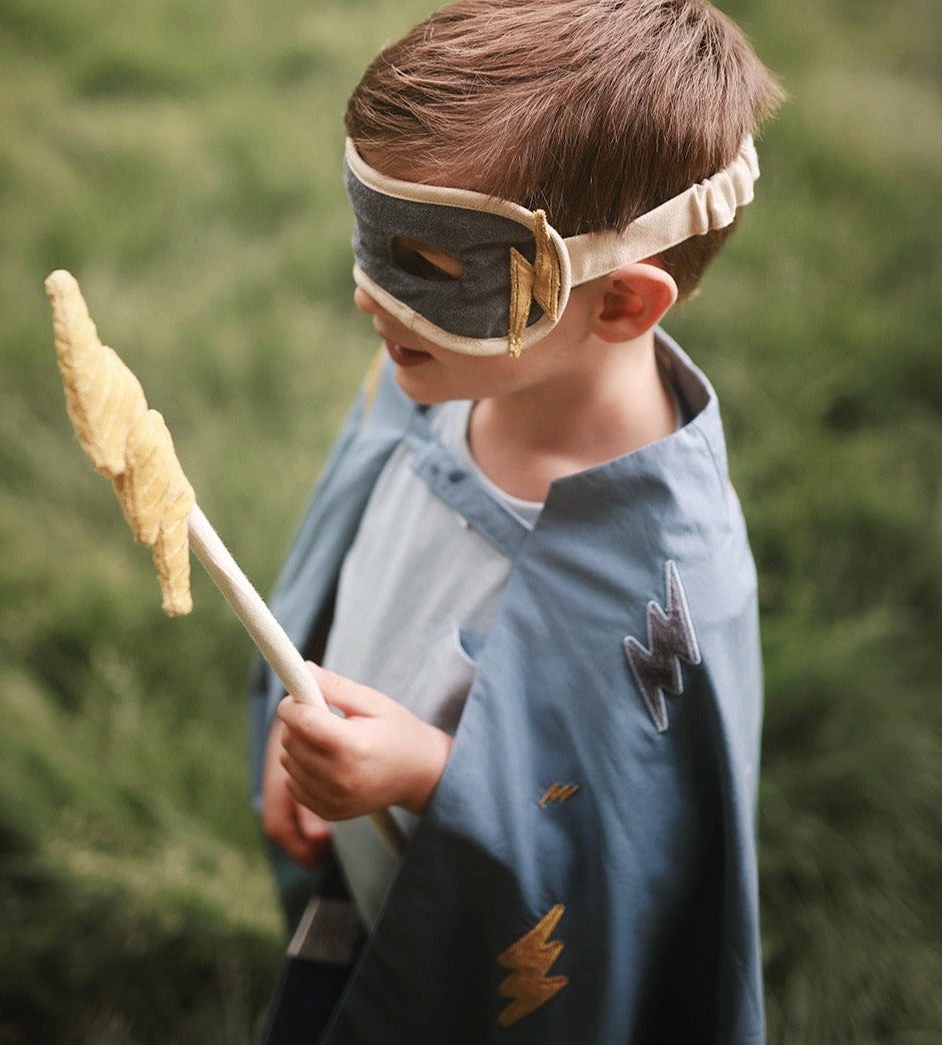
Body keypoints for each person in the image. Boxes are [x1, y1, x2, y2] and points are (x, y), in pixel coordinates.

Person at [249, 1, 783, 1041]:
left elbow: (625, 859)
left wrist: (422, 777)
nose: (369, 299)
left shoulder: (669, 592)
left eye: (435, 270)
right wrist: (303, 712)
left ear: (622, 305)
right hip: (363, 878)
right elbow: (350, 569)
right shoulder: (424, 384)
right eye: (371, 238)